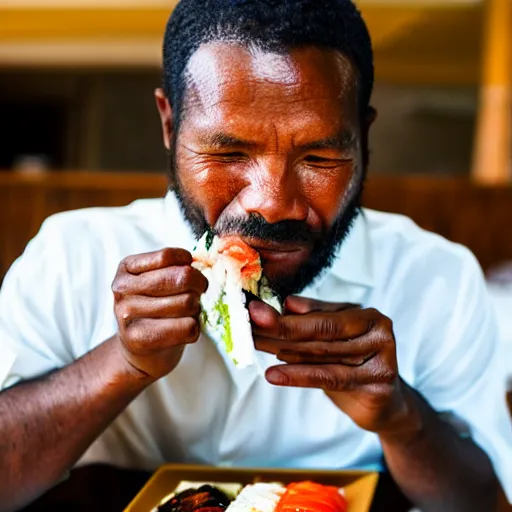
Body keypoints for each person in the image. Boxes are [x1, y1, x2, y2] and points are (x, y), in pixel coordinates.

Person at [0, 0, 511, 510]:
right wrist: (120, 363)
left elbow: (483, 501)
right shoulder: (71, 257)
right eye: (228, 153)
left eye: (318, 157)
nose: (272, 202)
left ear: (364, 139)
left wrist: (401, 417)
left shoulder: (437, 277)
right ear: (169, 126)